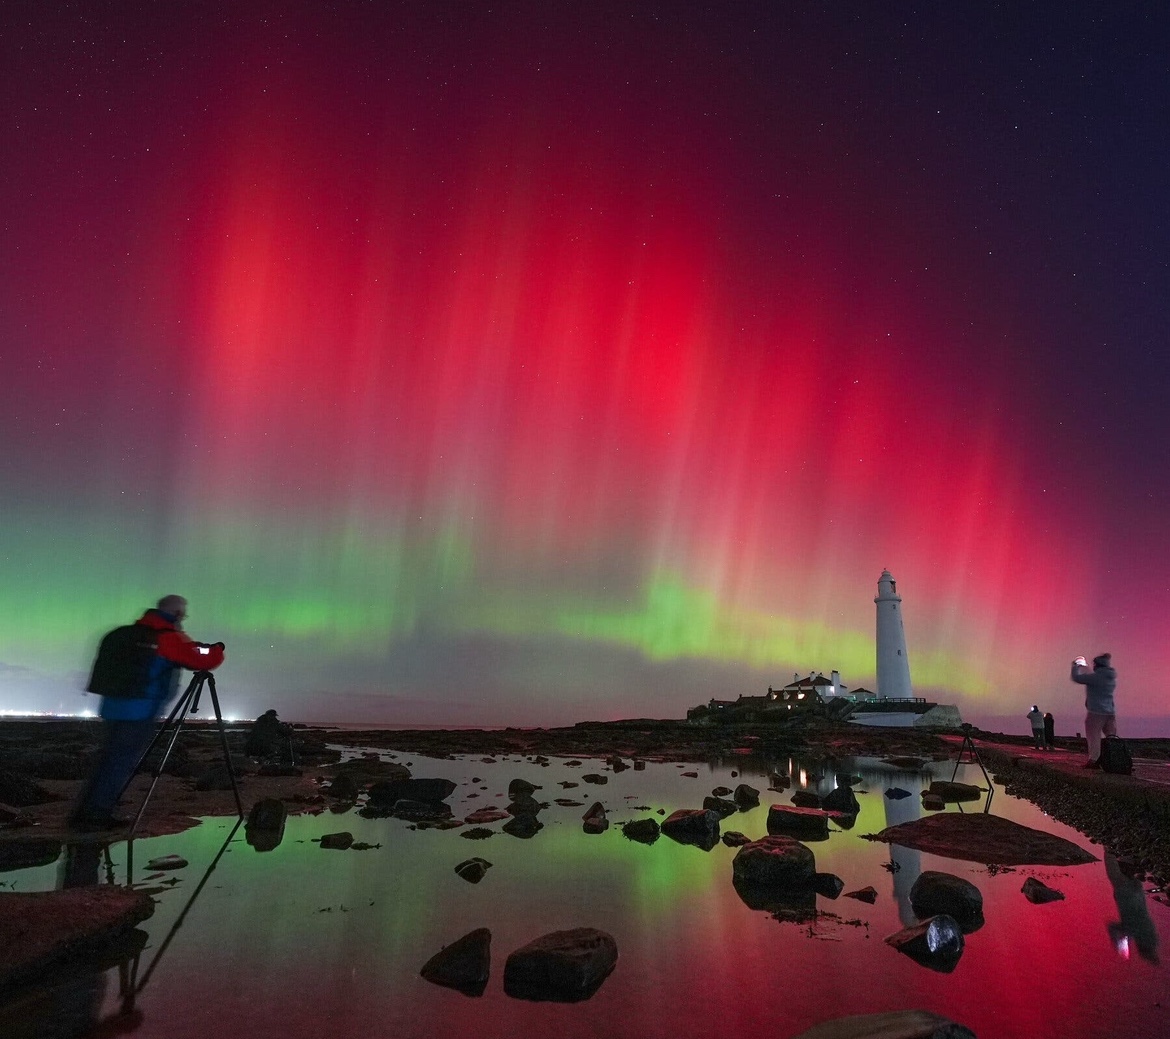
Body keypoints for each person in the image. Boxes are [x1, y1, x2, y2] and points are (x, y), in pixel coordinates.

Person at [71, 595, 225, 830]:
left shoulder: (125, 634)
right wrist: (216, 651)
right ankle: (96, 815)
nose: (184, 617)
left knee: (107, 760)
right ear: (175, 614)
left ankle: (84, 812)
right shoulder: (166, 637)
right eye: (182, 613)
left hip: (112, 707)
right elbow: (198, 660)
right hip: (140, 710)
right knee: (119, 763)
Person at [1070, 652, 1117, 770]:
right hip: (1110, 711)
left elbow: (1077, 678)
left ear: (1097, 665)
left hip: (1096, 711)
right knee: (1111, 737)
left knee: (1093, 736)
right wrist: (1086, 668)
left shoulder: (1096, 677)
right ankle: (1115, 758)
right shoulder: (1110, 677)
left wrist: (1075, 666)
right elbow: (1092, 677)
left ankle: (1094, 760)